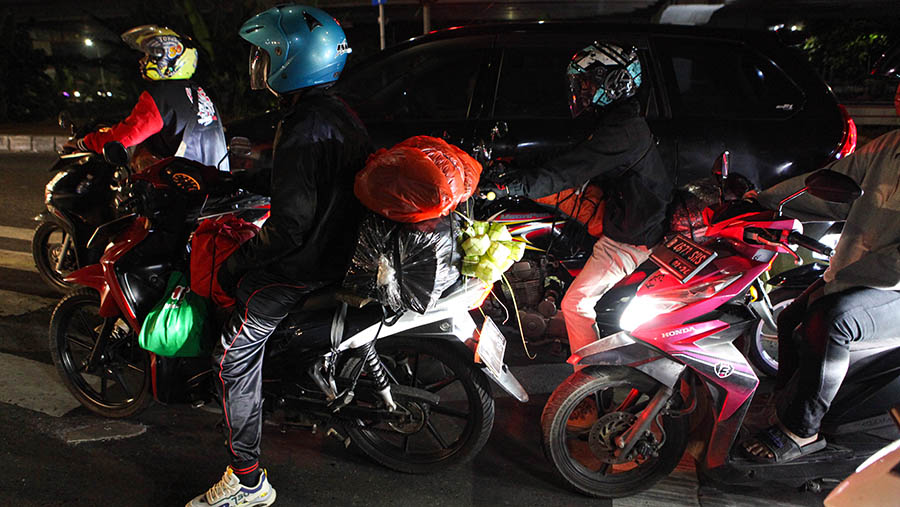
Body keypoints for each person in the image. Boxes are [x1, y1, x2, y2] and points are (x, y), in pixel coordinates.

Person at [186, 5, 370, 507]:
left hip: (302, 268)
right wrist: (236, 181)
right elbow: (308, 181)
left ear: (295, 61)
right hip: (340, 252)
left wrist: (237, 264)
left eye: (267, 55)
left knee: (231, 354)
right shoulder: (336, 112)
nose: (259, 66)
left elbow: (288, 229)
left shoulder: (302, 125)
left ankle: (247, 480)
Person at [485, 42, 673, 428]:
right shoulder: (616, 121)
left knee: (577, 304)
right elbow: (565, 160)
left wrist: (509, 187)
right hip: (620, 210)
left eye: (589, 83)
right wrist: (512, 170)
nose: (582, 91)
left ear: (617, 83)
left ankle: (590, 394)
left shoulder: (622, 131)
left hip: (632, 234)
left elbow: (570, 169)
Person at [741, 129, 900, 463]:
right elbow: (831, 187)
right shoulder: (891, 145)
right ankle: (785, 407)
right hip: (858, 273)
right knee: (788, 319)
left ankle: (802, 431)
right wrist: (763, 202)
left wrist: (849, 277)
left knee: (833, 320)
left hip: (891, 286)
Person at [65, 25, 229, 171]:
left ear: (171, 59)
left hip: (184, 187)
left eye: (153, 55)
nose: (143, 61)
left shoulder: (161, 95)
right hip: (212, 179)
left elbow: (124, 137)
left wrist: (84, 143)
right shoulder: (197, 92)